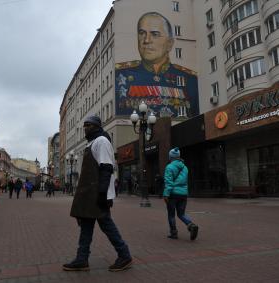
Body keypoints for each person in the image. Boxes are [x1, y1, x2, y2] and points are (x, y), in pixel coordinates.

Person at [63, 115, 132, 272]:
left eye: (90, 125)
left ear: (97, 127)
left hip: (98, 195)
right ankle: (82, 259)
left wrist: (102, 194)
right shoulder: (92, 143)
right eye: (85, 125)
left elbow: (106, 168)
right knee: (86, 226)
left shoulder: (101, 141)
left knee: (107, 225)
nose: (86, 128)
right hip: (90, 195)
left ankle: (124, 254)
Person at [115, 12, 199, 119]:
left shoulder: (189, 79)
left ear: (169, 43)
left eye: (155, 34)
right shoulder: (122, 74)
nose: (146, 40)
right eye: (142, 33)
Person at [163, 147, 198, 240]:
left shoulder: (169, 167)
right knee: (181, 214)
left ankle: (173, 233)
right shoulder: (185, 167)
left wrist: (166, 194)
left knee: (171, 214)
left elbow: (168, 182)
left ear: (171, 157)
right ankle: (191, 225)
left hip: (173, 194)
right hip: (183, 194)